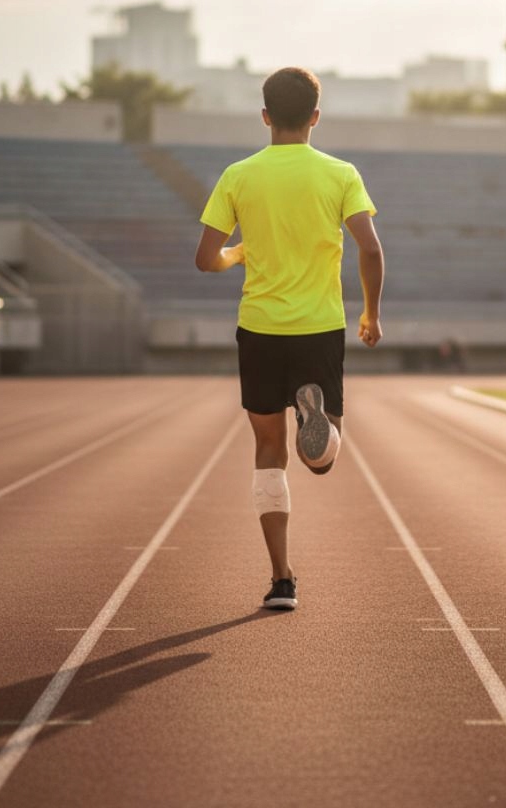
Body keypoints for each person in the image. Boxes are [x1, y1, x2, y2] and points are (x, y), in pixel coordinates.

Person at [195, 66, 384, 611]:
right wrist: (370, 314)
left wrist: (239, 253)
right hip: (320, 328)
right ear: (315, 118)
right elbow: (371, 250)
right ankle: (315, 416)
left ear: (264, 117)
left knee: (268, 450)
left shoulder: (237, 176)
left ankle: (281, 579)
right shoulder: (340, 174)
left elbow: (207, 259)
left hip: (259, 329)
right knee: (322, 462)